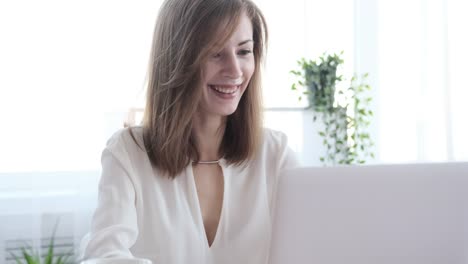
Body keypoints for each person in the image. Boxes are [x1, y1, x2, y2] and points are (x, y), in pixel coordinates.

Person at [81, 0, 298, 263]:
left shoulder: (276, 154)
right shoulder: (128, 152)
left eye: (244, 52)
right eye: (215, 53)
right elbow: (104, 255)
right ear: (178, 58)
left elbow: (315, 246)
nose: (235, 70)